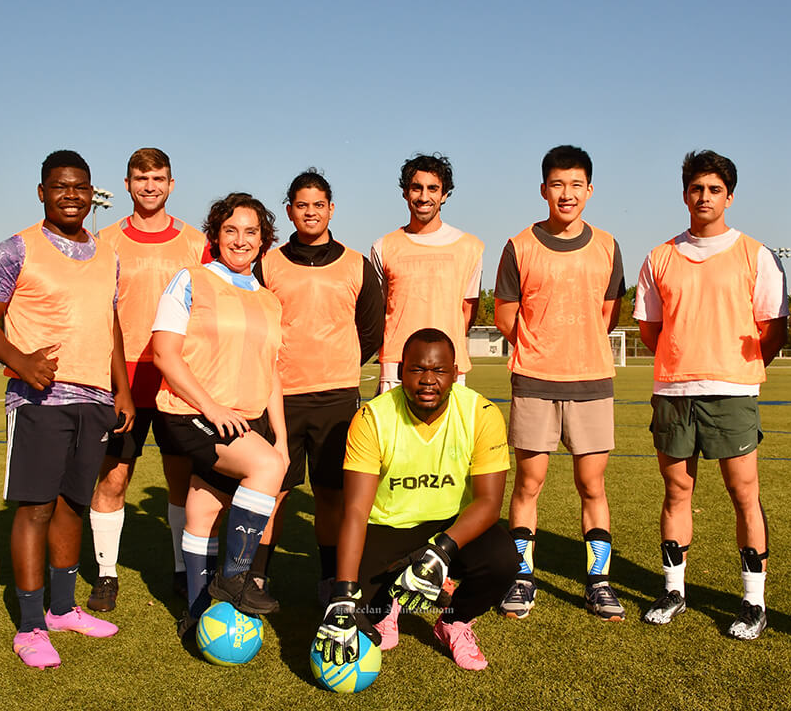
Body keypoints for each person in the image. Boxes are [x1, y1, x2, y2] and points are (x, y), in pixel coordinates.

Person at [0, 150, 133, 669]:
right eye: (60, 186)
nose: (71, 194)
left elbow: (110, 325)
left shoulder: (107, 253)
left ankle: (63, 609)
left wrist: (122, 389)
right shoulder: (17, 248)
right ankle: (31, 624)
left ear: (91, 193)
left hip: (95, 400)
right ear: (42, 191)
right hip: (39, 399)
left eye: (80, 187)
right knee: (36, 507)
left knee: (71, 505)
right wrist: (20, 361)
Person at [634, 150, 787, 640]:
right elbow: (650, 329)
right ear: (685, 195)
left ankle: (753, 600)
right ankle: (674, 589)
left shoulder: (756, 254)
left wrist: (732, 367)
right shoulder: (659, 256)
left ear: (730, 196)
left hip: (732, 392)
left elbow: (773, 328)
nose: (704, 197)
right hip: (674, 391)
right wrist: (686, 358)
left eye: (714, 189)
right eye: (696, 189)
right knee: (677, 491)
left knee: (744, 494)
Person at [313, 328, 518, 671]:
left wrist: (442, 551)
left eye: (439, 370)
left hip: (451, 527)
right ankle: (389, 603)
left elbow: (488, 503)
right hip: (388, 528)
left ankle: (453, 621)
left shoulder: (481, 413)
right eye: (417, 369)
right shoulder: (372, 418)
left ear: (455, 373)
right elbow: (356, 510)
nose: (428, 380)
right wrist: (344, 593)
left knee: (503, 560)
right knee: (358, 611)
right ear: (399, 372)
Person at [494, 145, 627, 621]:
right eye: (557, 184)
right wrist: (542, 347)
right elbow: (506, 315)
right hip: (534, 381)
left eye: (576, 184)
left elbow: (608, 317)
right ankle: (523, 577)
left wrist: (575, 345)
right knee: (529, 483)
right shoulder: (519, 246)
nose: (566, 194)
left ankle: (599, 582)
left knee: (592, 485)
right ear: (543, 189)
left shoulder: (608, 245)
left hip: (592, 382)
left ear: (589, 190)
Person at [149, 192, 290, 635]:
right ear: (215, 236)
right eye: (231, 230)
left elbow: (271, 372)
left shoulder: (269, 299)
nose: (241, 239)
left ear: (264, 240)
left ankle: (194, 613)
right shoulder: (190, 279)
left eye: (251, 232)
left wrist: (281, 440)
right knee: (263, 466)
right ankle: (234, 580)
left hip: (244, 419)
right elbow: (164, 354)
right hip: (190, 412)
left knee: (204, 508)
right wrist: (210, 407)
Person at [87, 148, 208, 612]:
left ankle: (182, 570)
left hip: (178, 379)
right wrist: (114, 383)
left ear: (171, 184)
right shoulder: (106, 239)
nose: (150, 185)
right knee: (114, 478)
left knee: (182, 480)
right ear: (127, 184)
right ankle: (105, 574)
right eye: (141, 178)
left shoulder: (197, 242)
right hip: (124, 381)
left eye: (158, 177)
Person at [254, 169, 383, 603]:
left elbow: (370, 330)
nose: (310, 212)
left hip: (337, 398)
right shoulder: (267, 263)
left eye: (319, 204)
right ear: (290, 210)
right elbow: (254, 323)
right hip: (280, 398)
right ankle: (257, 575)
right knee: (274, 490)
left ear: (331, 209)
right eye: (302, 205)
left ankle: (331, 579)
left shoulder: (355, 264)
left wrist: (337, 362)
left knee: (331, 494)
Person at [370, 153, 482, 392]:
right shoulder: (383, 246)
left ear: (444, 195)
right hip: (396, 368)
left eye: (433, 189)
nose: (424, 197)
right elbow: (380, 310)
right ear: (405, 193)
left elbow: (467, 312)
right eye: (416, 188)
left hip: (449, 367)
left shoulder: (470, 247)